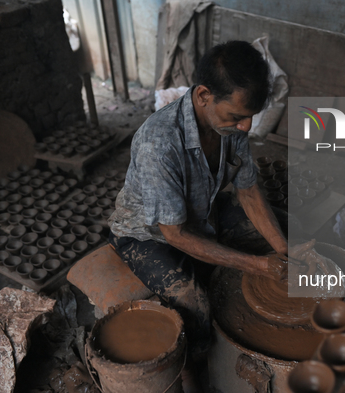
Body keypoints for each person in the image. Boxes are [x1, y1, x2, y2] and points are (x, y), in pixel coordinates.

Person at [107, 40, 288, 390]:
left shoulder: (229, 127)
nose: (246, 127)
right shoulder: (159, 143)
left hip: (200, 212)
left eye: (250, 116)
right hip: (148, 233)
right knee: (194, 302)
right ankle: (196, 373)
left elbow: (249, 189)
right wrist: (258, 266)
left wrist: (283, 251)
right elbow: (175, 235)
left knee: (283, 226)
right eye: (237, 116)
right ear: (204, 95)